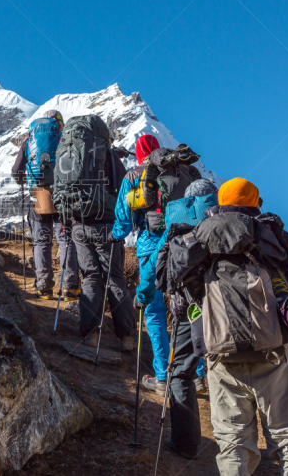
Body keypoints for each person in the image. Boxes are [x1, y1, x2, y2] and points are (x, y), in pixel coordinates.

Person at [163, 178, 288, 476]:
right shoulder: (271, 235)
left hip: (221, 357)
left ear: (220, 203)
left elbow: (179, 293)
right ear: (255, 203)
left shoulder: (197, 236)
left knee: (233, 446)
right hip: (273, 355)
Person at [112, 135, 206, 395]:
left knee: (153, 311)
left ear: (141, 153)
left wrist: (116, 235)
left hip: (150, 246)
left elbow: (123, 219)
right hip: (186, 245)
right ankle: (196, 374)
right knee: (187, 307)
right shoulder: (184, 171)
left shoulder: (135, 175)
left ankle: (163, 377)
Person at [152, 178, 218, 460]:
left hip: (193, 312)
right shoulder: (231, 228)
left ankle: (186, 444)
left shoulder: (180, 234)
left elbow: (162, 280)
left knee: (180, 372)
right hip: (234, 314)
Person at [59, 116, 134, 351]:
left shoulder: (69, 154)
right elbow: (124, 192)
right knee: (114, 278)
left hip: (79, 224)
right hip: (107, 226)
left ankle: (90, 334)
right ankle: (127, 338)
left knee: (90, 276)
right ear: (105, 137)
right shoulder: (110, 157)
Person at [12, 110, 80, 300]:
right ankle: (71, 286)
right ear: (59, 124)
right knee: (66, 239)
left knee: (42, 241)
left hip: (38, 196)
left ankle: (43, 287)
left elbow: (16, 170)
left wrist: (23, 180)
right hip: (62, 195)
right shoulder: (66, 139)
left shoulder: (29, 141)